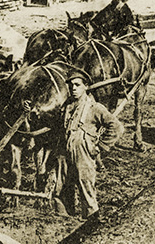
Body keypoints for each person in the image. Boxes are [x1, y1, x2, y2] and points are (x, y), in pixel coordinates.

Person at [39, 73, 124, 218]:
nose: (73, 88)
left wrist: (101, 147)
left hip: (83, 153)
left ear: (85, 87)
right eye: (71, 85)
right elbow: (57, 124)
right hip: (64, 151)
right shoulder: (67, 106)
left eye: (77, 85)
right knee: (60, 187)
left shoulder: (94, 108)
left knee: (85, 186)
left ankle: (90, 221)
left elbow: (116, 127)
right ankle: (65, 219)